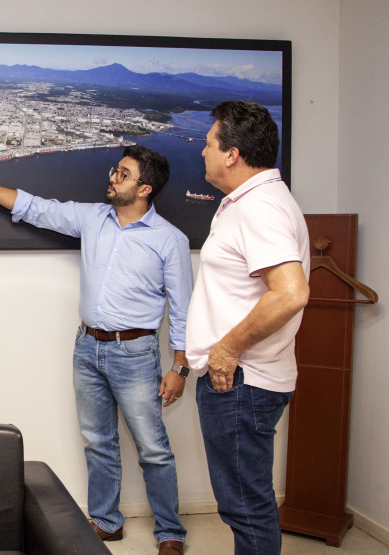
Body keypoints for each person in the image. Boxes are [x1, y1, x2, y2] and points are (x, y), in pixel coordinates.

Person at [0, 145, 192, 555]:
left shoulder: (170, 240)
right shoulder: (93, 218)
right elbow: (35, 207)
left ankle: (170, 534)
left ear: (145, 188)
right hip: (87, 347)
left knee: (153, 449)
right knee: (98, 441)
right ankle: (107, 522)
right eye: (116, 170)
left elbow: (182, 309)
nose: (113, 177)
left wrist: (180, 368)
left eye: (123, 175)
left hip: (136, 354)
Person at [186, 101, 309, 554]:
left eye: (208, 142)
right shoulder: (248, 202)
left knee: (246, 507)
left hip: (240, 381)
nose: (202, 151)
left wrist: (225, 349)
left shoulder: (260, 208)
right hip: (242, 380)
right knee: (244, 504)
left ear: (232, 154)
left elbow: (291, 292)